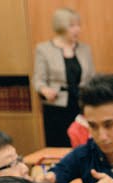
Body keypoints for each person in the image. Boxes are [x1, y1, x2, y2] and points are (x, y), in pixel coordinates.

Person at [34, 8, 95, 147]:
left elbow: (92, 77)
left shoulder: (85, 49)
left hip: (82, 104)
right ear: (61, 26)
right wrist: (45, 90)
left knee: (83, 144)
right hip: (57, 106)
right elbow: (38, 80)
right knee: (60, 145)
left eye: (78, 25)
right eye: (72, 25)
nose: (77, 29)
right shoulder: (43, 49)